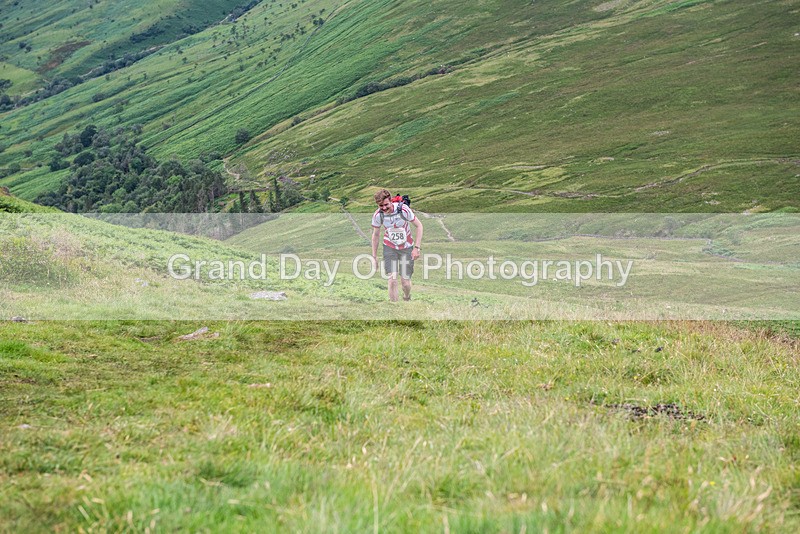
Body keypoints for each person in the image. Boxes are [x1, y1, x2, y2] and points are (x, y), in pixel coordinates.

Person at [371, 189, 423, 301]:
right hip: (390, 247)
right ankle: (394, 307)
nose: (384, 208)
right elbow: (375, 235)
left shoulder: (403, 210)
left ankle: (407, 296)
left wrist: (417, 248)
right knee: (392, 278)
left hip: (406, 247)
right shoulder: (378, 215)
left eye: (386, 205)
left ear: (390, 201)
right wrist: (374, 257)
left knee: (405, 282)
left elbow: (419, 226)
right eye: (381, 206)